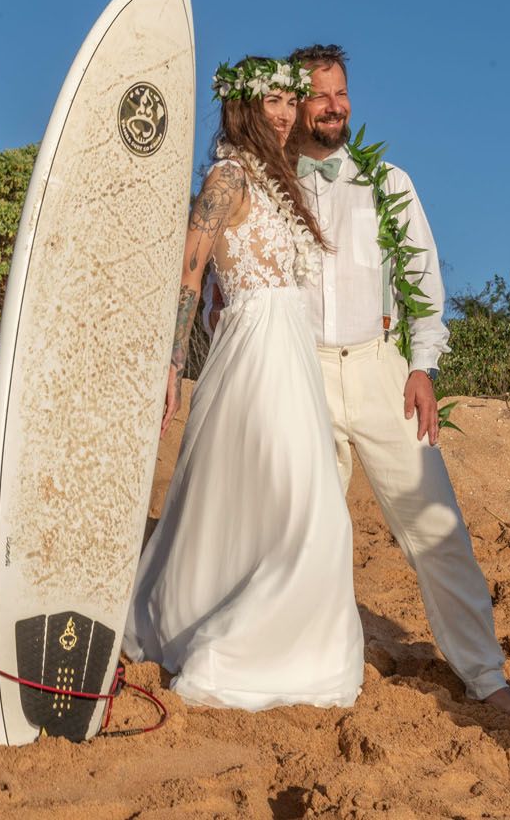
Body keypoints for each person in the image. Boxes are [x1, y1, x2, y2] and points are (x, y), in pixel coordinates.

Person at [283, 42, 510, 717]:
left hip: (381, 370)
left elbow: (423, 281)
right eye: (320, 95)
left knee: (435, 528)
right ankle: (308, 670)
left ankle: (485, 675)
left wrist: (422, 367)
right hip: (301, 374)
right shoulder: (271, 187)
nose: (334, 106)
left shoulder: (388, 183)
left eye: (341, 93)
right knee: (306, 532)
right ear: (294, 105)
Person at [122, 56, 364, 710]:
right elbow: (189, 270)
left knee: (268, 506)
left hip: (289, 351)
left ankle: (250, 632)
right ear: (242, 106)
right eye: (272, 101)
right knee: (309, 513)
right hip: (257, 355)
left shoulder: (274, 180)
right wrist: (173, 362)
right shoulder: (227, 177)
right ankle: (234, 652)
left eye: (289, 101)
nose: (285, 114)